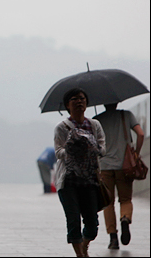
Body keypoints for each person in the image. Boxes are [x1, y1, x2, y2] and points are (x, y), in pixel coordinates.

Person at [54, 88, 106, 257]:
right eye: (74, 99)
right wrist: (71, 148)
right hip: (68, 181)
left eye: (82, 98)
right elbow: (58, 152)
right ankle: (80, 255)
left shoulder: (94, 125)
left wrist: (91, 147)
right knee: (73, 220)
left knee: (92, 223)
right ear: (68, 105)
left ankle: (84, 245)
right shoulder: (62, 127)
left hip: (90, 180)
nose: (79, 102)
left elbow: (102, 148)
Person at [93, 103, 145, 250]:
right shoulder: (126, 115)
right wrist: (136, 152)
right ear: (117, 102)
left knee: (108, 203)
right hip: (125, 165)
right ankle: (125, 218)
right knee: (125, 199)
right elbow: (140, 134)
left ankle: (113, 238)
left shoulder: (97, 120)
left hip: (104, 167)